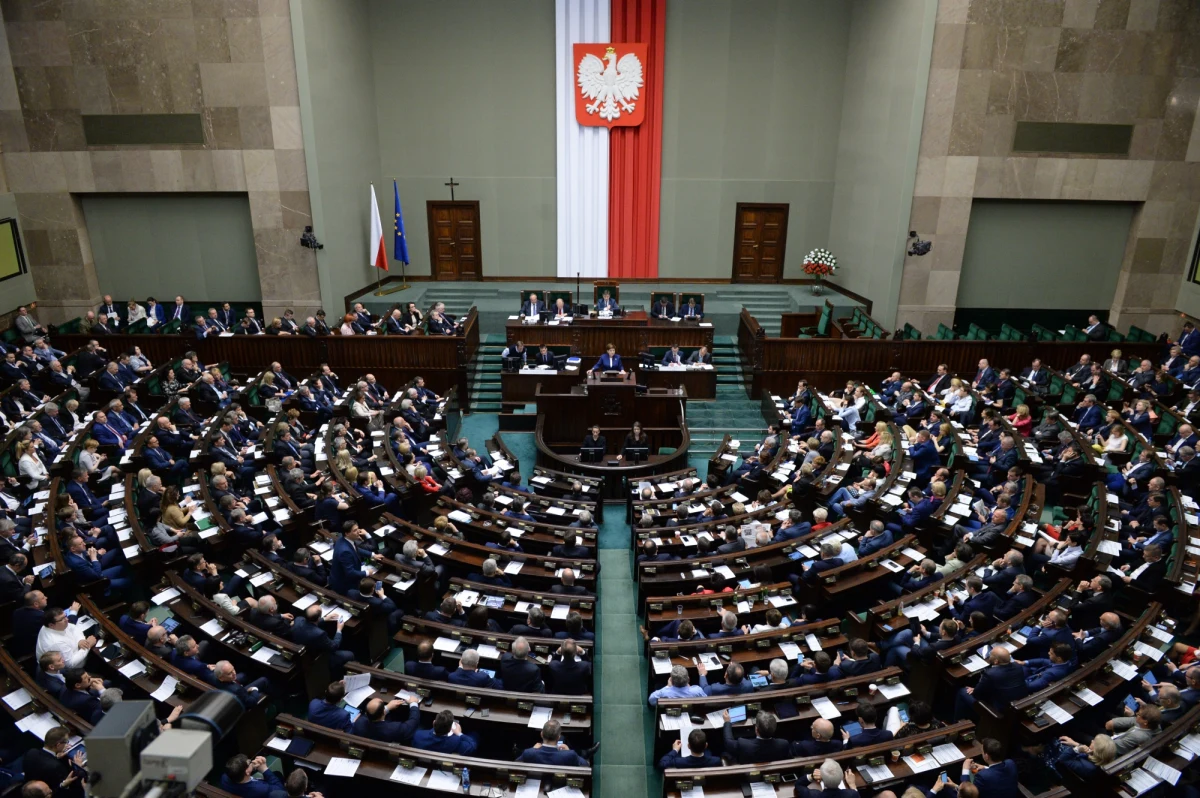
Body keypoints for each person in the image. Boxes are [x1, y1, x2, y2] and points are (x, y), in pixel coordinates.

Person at [722, 710, 792, 763]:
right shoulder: (783, 744)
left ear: (756, 729)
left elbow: (728, 742)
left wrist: (727, 722)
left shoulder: (743, 745)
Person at [519, 720, 596, 766]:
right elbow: (585, 765)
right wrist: (568, 751)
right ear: (558, 737)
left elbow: (516, 763)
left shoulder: (529, 752)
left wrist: (533, 749)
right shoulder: (570, 755)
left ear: (541, 734)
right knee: (564, 740)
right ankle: (584, 753)